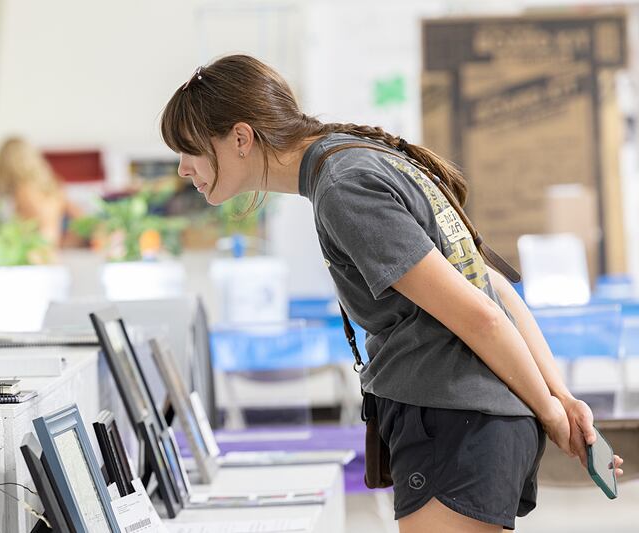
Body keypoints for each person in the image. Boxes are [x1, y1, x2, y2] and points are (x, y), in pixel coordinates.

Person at [159, 55, 625, 533]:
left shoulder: (343, 186)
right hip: (474, 422)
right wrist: (558, 396)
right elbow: (494, 287)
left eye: (189, 149)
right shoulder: (356, 159)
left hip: (455, 422)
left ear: (240, 138)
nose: (182, 169)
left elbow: (480, 315)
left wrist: (552, 410)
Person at [0, 137, 83, 248]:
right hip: (49, 253)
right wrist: (66, 242)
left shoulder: (23, 190)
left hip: (32, 254)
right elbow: (80, 217)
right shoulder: (53, 186)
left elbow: (29, 229)